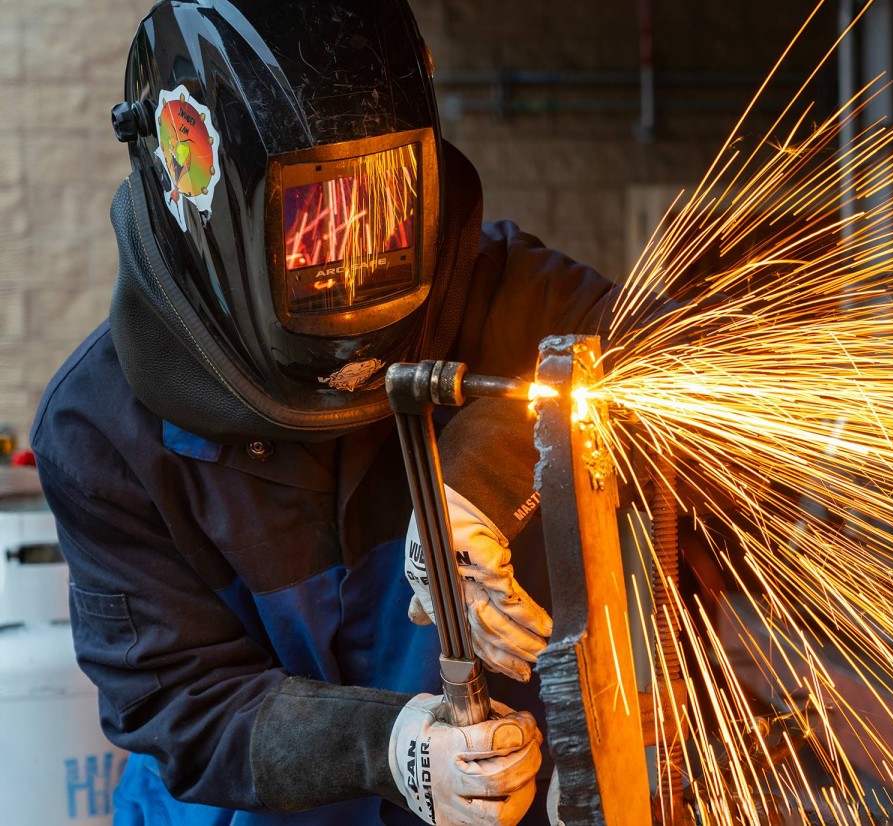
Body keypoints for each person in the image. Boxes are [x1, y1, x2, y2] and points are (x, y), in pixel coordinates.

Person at [31, 1, 617, 823]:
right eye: (312, 229)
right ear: (196, 196)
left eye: (380, 207)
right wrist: (383, 746)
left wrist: (484, 477)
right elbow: (177, 698)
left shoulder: (509, 294)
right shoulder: (100, 428)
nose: (349, 271)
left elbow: (656, 363)